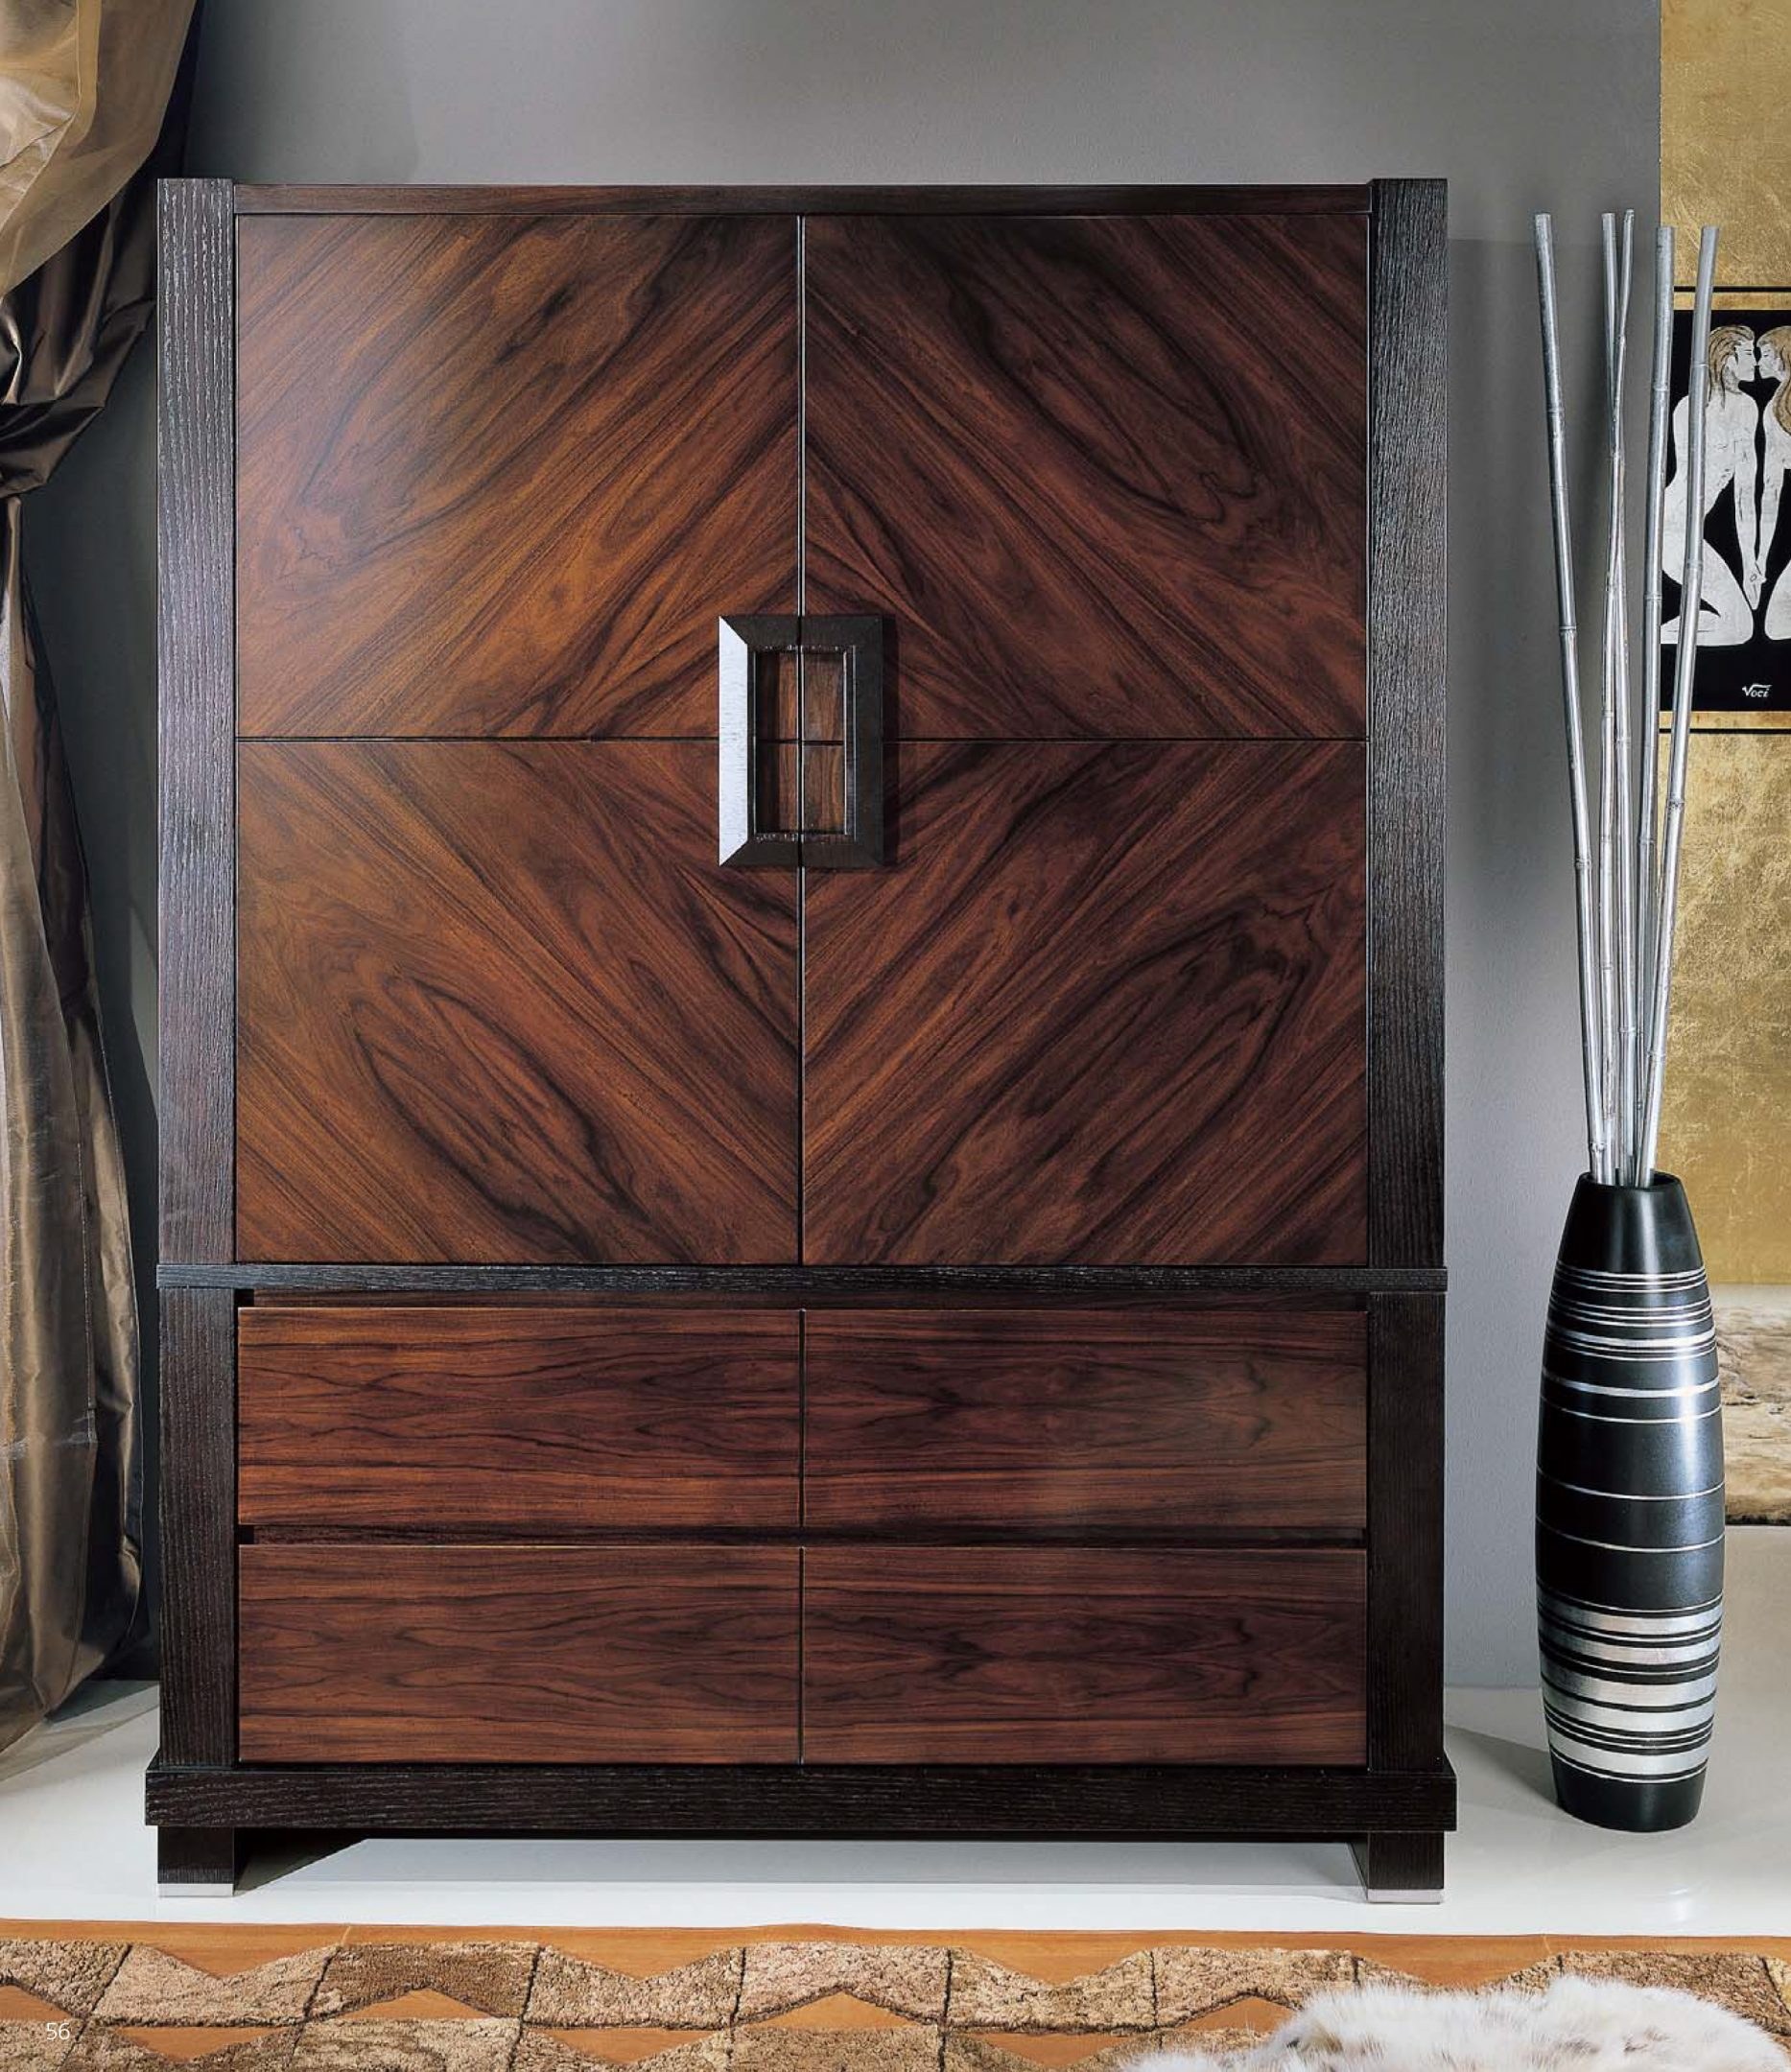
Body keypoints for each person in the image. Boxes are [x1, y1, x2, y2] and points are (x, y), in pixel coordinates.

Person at [1662, 322, 1759, 647]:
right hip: (1671, 529)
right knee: (1740, 629)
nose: (1755, 361)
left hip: (1691, 532)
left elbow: (1745, 494)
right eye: (1748, 354)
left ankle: (1662, 633)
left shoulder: (1747, 408)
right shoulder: (1690, 407)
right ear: (1727, 359)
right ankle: (1654, 636)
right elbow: (1689, 480)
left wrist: (1749, 563)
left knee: (1739, 627)